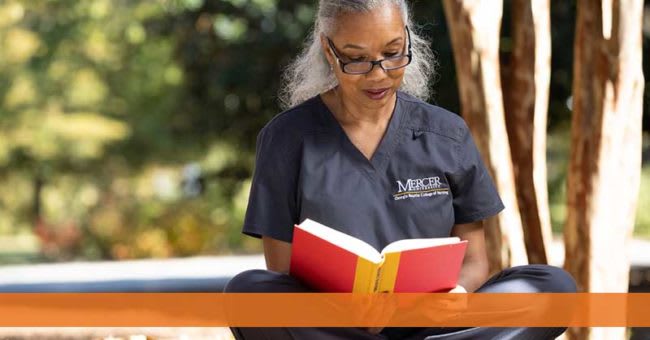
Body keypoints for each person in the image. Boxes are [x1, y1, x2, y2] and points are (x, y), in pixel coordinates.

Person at [224, 0, 576, 339]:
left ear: (408, 39)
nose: (379, 75)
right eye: (357, 59)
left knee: (553, 288)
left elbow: (474, 259)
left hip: (434, 323)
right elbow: (281, 272)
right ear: (328, 51)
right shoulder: (287, 138)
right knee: (248, 293)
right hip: (335, 326)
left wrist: (456, 293)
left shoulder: (447, 134)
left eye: (393, 53)